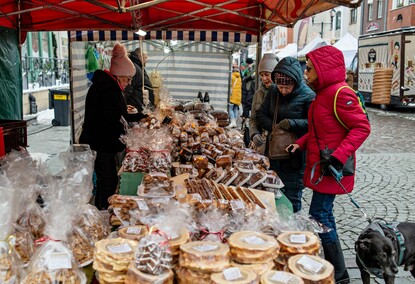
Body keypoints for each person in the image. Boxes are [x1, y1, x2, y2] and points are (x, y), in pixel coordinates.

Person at [288, 45, 371, 283]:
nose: (306, 74)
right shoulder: (323, 94)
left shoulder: (340, 94)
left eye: (310, 70)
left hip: (331, 168)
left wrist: (338, 156)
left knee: (319, 216)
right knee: (325, 215)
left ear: (323, 70)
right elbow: (317, 130)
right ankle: (339, 271)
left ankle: (339, 273)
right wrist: (301, 144)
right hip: (322, 166)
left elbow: (362, 127)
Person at [79, 42, 147, 210]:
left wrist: (139, 117)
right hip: (101, 144)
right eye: (128, 79)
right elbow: (113, 119)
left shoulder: (107, 86)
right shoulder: (108, 89)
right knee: (107, 180)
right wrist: (123, 140)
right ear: (119, 75)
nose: (129, 83)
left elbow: (119, 115)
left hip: (100, 142)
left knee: (107, 179)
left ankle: (103, 207)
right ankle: (103, 210)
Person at [256, 56, 315, 213]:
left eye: (286, 88)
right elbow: (260, 114)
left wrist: (291, 124)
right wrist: (275, 128)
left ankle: (292, 230)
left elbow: (314, 125)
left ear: (295, 83)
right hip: (273, 153)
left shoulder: (308, 96)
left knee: (292, 196)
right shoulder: (274, 91)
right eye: (280, 87)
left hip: (294, 156)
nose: (283, 91)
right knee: (272, 192)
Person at [249, 53, 278, 153]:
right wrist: (254, 134)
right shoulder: (258, 94)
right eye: (261, 75)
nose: (264, 79)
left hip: (278, 146)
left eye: (267, 74)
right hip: (262, 145)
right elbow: (253, 119)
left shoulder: (282, 93)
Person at [124, 47, 155, 112]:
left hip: (140, 110)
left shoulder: (138, 67)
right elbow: (127, 90)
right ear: (140, 57)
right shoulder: (134, 68)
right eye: (146, 57)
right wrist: (123, 107)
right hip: (135, 111)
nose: (147, 60)